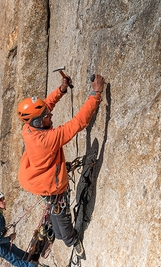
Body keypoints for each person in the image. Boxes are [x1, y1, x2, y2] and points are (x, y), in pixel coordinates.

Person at [17, 73, 105, 257]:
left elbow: (45, 106)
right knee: (61, 212)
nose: (50, 114)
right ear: (39, 122)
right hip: (50, 185)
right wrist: (96, 94)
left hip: (34, 177)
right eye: (46, 116)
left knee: (55, 211)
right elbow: (78, 123)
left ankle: (57, 233)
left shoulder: (29, 127)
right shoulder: (47, 140)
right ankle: (71, 240)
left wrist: (61, 90)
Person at [0, 190, 50, 267]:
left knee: (13, 248)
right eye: (1, 200)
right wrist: (9, 238)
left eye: (3, 198)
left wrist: (1, 229)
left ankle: (30, 257)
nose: (4, 201)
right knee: (10, 256)